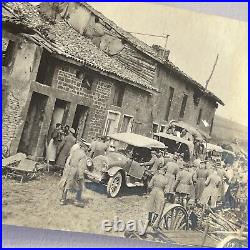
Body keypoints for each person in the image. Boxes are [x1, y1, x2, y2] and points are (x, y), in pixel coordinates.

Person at [58, 138, 89, 206]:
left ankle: (63, 200)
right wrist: (80, 176)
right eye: (87, 147)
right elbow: (81, 167)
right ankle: (77, 201)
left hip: (69, 169)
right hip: (76, 171)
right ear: (84, 147)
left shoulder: (75, 151)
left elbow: (70, 159)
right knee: (80, 186)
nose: (87, 149)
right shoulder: (83, 155)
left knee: (66, 184)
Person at [142, 168, 169, 234]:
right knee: (158, 209)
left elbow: (149, 185)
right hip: (160, 193)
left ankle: (149, 221)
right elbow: (166, 190)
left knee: (151, 207)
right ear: (164, 173)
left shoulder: (155, 177)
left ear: (159, 171)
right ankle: (154, 222)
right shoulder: (166, 179)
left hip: (153, 192)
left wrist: (151, 189)